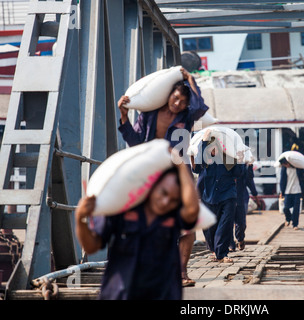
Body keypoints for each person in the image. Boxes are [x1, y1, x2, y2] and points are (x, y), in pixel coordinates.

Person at [117, 67, 208, 287]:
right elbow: (136, 142)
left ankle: (182, 274)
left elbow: (199, 106)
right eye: (175, 98)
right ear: (169, 94)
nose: (177, 104)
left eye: (182, 102)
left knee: (187, 229)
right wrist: (124, 116)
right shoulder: (148, 115)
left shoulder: (187, 117)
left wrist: (188, 78)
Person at [75, 157, 200, 300]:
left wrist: (182, 167)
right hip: (120, 293)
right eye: (163, 193)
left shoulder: (172, 214)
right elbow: (91, 246)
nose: (166, 202)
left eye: (173, 199)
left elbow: (192, 212)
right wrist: (80, 220)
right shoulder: (121, 206)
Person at [192, 129, 244, 263]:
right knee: (209, 227)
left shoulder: (227, 157)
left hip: (227, 195)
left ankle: (222, 253)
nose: (212, 149)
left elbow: (238, 173)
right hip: (208, 196)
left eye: (214, 146)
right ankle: (215, 250)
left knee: (225, 224)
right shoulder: (205, 160)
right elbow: (197, 167)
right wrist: (203, 140)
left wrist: (240, 160)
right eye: (209, 146)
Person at [230, 162, 258, 251]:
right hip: (228, 197)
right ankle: (230, 244)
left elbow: (250, 180)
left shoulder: (243, 167)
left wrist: (255, 194)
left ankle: (240, 238)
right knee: (227, 223)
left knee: (241, 223)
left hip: (241, 198)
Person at [279, 158, 304, 230]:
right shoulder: (284, 169)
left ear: (288, 162)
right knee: (286, 208)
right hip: (288, 191)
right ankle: (288, 218)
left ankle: (295, 224)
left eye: (285, 164)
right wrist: (282, 191)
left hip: (297, 190)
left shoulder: (297, 167)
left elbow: (302, 175)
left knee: (296, 209)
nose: (285, 165)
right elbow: (282, 180)